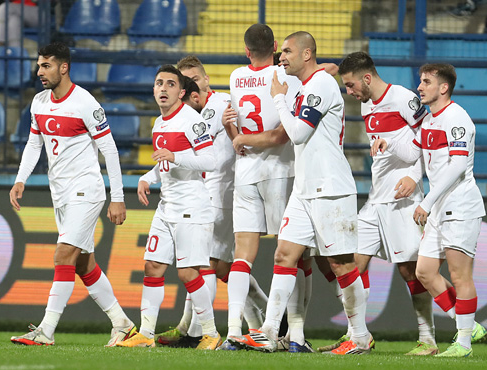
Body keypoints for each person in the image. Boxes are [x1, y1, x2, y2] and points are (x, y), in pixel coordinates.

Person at [230, 31, 374, 355]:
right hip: (304, 189)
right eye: (280, 52)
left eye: (288, 52)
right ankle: (269, 331)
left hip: (330, 189)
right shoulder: (309, 85)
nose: (282, 57)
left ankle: (360, 336)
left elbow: (297, 133)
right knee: (284, 254)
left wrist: (279, 98)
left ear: (306, 55)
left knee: (341, 266)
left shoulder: (320, 86)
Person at [9, 42, 135, 347]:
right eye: (39, 65)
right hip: (60, 193)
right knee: (82, 264)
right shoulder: (38, 102)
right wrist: (20, 179)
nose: (39, 71)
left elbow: (110, 150)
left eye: (46, 66)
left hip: (86, 190)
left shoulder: (85, 103)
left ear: (64, 67)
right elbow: (34, 145)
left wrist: (117, 196)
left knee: (63, 255)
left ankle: (46, 330)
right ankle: (122, 323)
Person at [314, 51, 437, 356]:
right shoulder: (368, 102)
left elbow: (429, 134)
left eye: (352, 85)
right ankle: (357, 337)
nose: (349, 92)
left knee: (410, 271)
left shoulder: (402, 98)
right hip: (375, 200)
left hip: (402, 199)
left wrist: (415, 177)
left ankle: (428, 340)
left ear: (367, 78)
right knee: (353, 265)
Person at [371, 63, 487, 357]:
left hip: (460, 205)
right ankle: (469, 325)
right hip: (439, 209)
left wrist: (426, 201)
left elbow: (458, 166)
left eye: (426, 82)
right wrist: (390, 144)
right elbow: (414, 153)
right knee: (424, 271)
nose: (419, 87)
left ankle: (463, 342)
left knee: (461, 276)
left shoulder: (456, 117)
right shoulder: (429, 122)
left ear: (443, 87)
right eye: (420, 81)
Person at [154, 58, 269, 348]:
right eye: (185, 80)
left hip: (222, 193)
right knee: (215, 265)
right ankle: (259, 316)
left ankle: (195, 332)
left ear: (206, 81)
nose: (190, 85)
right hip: (204, 193)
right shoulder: (192, 112)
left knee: (205, 264)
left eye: (194, 79)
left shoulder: (219, 106)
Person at [116, 65, 222, 350]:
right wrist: (148, 177)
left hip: (191, 207)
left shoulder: (191, 120)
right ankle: (146, 335)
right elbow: (164, 163)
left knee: (188, 274)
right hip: (166, 207)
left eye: (170, 84)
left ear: (182, 92)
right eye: (159, 83)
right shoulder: (158, 123)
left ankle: (211, 333)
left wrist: (175, 156)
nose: (163, 88)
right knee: (152, 267)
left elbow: (210, 161)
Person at [220, 23, 304, 351]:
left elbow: (235, 129)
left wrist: (238, 139)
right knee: (290, 254)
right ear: (275, 49)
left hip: (245, 171)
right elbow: (283, 133)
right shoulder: (288, 79)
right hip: (281, 170)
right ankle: (291, 334)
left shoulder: (236, 77)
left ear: (245, 51)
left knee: (242, 257)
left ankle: (232, 331)